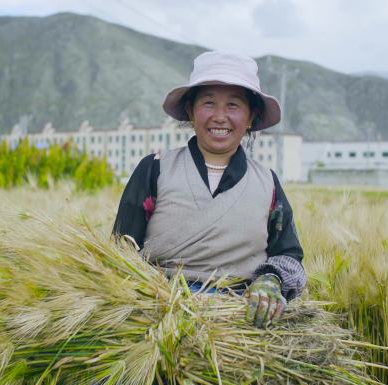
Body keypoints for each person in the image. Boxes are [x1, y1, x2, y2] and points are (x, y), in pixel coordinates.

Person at [113, 51, 305, 328]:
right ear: (191, 111)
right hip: (158, 314)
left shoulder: (268, 183)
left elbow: (288, 254)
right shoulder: (155, 169)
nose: (220, 117)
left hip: (240, 320)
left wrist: (271, 280)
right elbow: (121, 250)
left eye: (233, 105)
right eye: (208, 103)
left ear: (251, 116)